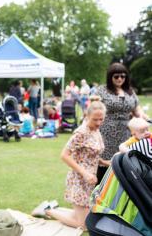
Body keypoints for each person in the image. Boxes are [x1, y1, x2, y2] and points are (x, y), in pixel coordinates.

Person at [32, 100, 106, 229]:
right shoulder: (81, 133)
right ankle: (47, 211)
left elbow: (90, 155)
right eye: (95, 120)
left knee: (85, 216)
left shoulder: (96, 130)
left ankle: (49, 207)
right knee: (83, 225)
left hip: (89, 180)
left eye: (101, 119)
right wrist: (85, 173)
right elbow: (64, 155)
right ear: (87, 116)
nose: (99, 123)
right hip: (79, 180)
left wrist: (105, 162)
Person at [96, 62, 148, 184]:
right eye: (116, 76)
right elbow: (94, 107)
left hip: (126, 132)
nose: (120, 79)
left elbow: (136, 109)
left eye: (123, 76)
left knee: (123, 162)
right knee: (105, 163)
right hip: (106, 133)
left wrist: (143, 117)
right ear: (110, 77)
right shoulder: (102, 90)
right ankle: (100, 192)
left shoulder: (130, 91)